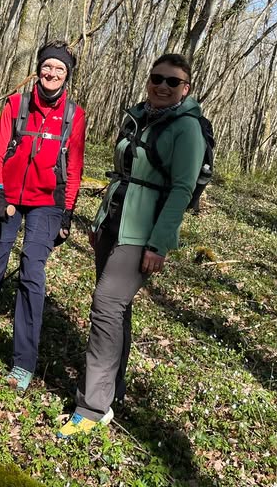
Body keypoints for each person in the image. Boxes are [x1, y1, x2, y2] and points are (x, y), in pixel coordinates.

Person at [58, 53, 206, 437]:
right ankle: (113, 391)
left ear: (185, 89)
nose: (162, 86)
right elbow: (122, 174)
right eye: (157, 78)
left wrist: (159, 244)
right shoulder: (139, 115)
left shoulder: (186, 129)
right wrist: (98, 220)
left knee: (106, 305)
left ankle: (92, 407)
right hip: (114, 223)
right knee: (117, 310)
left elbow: (182, 190)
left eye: (172, 82)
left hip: (143, 234)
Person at [0, 41, 87, 392]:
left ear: (67, 76)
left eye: (59, 70)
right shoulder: (17, 104)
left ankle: (24, 361)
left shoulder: (75, 115)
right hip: (10, 195)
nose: (52, 74)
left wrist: (67, 212)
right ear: (39, 69)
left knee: (32, 272)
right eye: (48, 67)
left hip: (48, 202)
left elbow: (74, 168)